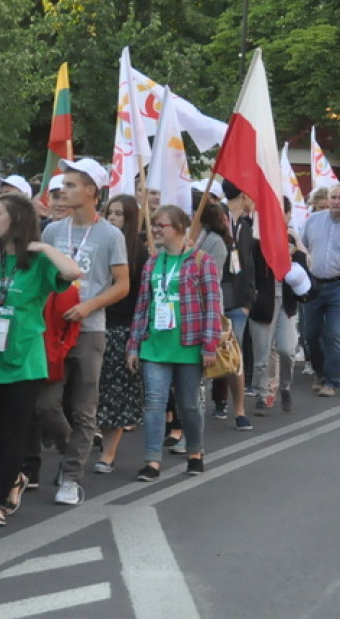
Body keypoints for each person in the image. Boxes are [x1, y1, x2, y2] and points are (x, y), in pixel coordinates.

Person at [0, 194, 81, 523]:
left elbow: (73, 271)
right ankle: (16, 476)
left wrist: (45, 247)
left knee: (14, 434)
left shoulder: (38, 262)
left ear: (17, 219)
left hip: (24, 361)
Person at [39, 158, 128, 505]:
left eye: (71, 185)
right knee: (46, 404)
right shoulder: (52, 231)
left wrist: (89, 306)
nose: (63, 191)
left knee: (84, 408)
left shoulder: (111, 235)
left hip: (89, 329)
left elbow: (122, 285)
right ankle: (72, 453)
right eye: (63, 185)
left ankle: (72, 478)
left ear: (91, 191)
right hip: (53, 329)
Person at [126, 205, 222, 480]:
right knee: (154, 402)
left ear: (179, 228)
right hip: (155, 344)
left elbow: (213, 306)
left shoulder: (201, 261)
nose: (156, 230)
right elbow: (142, 306)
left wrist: (209, 345)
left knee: (188, 404)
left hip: (189, 345)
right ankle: (152, 460)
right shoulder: (152, 263)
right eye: (154, 225)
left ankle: (195, 452)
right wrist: (134, 345)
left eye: (162, 225)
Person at [95, 194, 148, 474]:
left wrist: (135, 338)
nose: (112, 218)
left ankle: (108, 453)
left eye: (119, 213)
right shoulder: (97, 243)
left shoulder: (138, 251)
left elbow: (141, 299)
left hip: (121, 329)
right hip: (92, 323)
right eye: (109, 212)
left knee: (114, 392)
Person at [249, 197, 310, 414]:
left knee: (286, 349)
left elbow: (306, 267)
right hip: (263, 302)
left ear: (288, 215)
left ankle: (285, 386)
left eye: (283, 213)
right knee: (263, 354)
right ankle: (262, 393)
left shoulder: (291, 239)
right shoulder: (256, 240)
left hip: (287, 302)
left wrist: (296, 245)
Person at [301, 184, 340, 396]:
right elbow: (303, 247)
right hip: (314, 283)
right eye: (334, 197)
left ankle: (332, 381)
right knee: (311, 334)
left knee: (334, 333)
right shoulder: (313, 220)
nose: (337, 202)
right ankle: (320, 372)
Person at [213, 181, 256, 429]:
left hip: (238, 301)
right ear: (243, 194)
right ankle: (217, 399)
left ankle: (239, 410)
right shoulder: (217, 217)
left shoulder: (245, 225)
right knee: (213, 351)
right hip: (215, 297)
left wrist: (248, 302)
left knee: (234, 354)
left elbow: (248, 264)